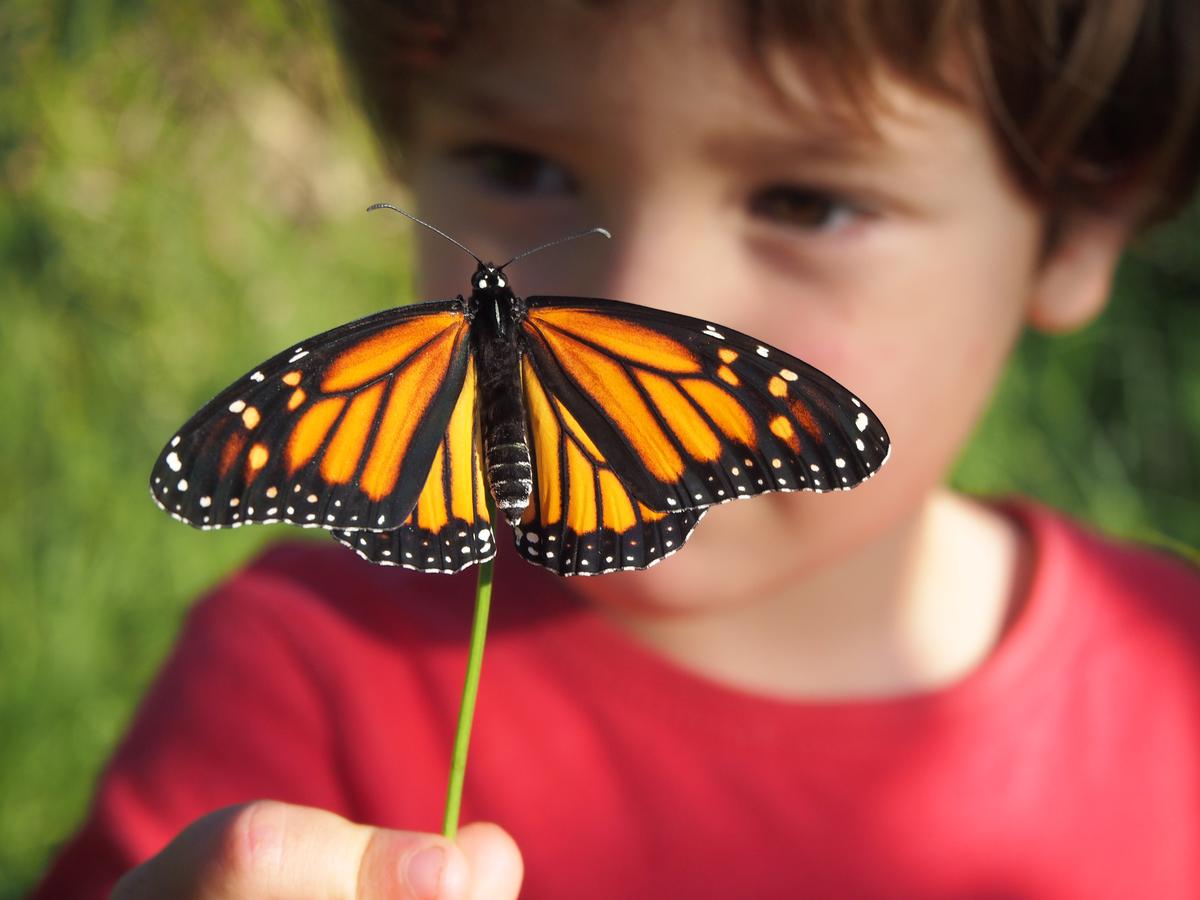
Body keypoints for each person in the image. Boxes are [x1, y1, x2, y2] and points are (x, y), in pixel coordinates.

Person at [34, 1, 1200, 897]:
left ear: (1081, 229)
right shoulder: (293, 674)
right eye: (519, 167)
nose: (639, 285)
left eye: (805, 200)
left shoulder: (1177, 686)